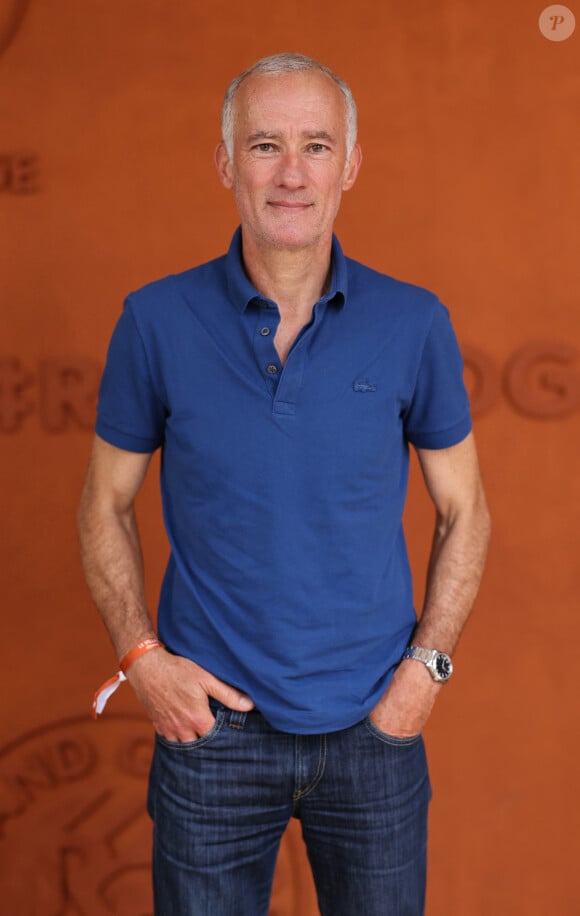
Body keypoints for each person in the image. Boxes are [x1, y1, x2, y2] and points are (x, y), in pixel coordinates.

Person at [78, 52, 490, 916]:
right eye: (266, 145)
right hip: (210, 735)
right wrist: (141, 657)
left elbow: (465, 511)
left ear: (351, 163)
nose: (292, 174)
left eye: (316, 145)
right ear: (227, 163)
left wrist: (427, 670)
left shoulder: (414, 322)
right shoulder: (154, 319)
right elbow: (105, 504)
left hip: (375, 731)